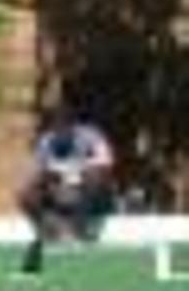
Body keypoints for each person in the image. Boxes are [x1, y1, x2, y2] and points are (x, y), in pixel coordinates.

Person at [18, 114, 117, 268]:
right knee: (27, 193)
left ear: (73, 127)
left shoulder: (91, 136)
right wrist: (52, 175)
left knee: (95, 176)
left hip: (86, 188)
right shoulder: (46, 142)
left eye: (64, 127)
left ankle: (82, 229)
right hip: (58, 187)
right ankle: (49, 231)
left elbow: (106, 160)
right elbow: (38, 170)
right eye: (56, 127)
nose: (60, 131)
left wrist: (79, 167)